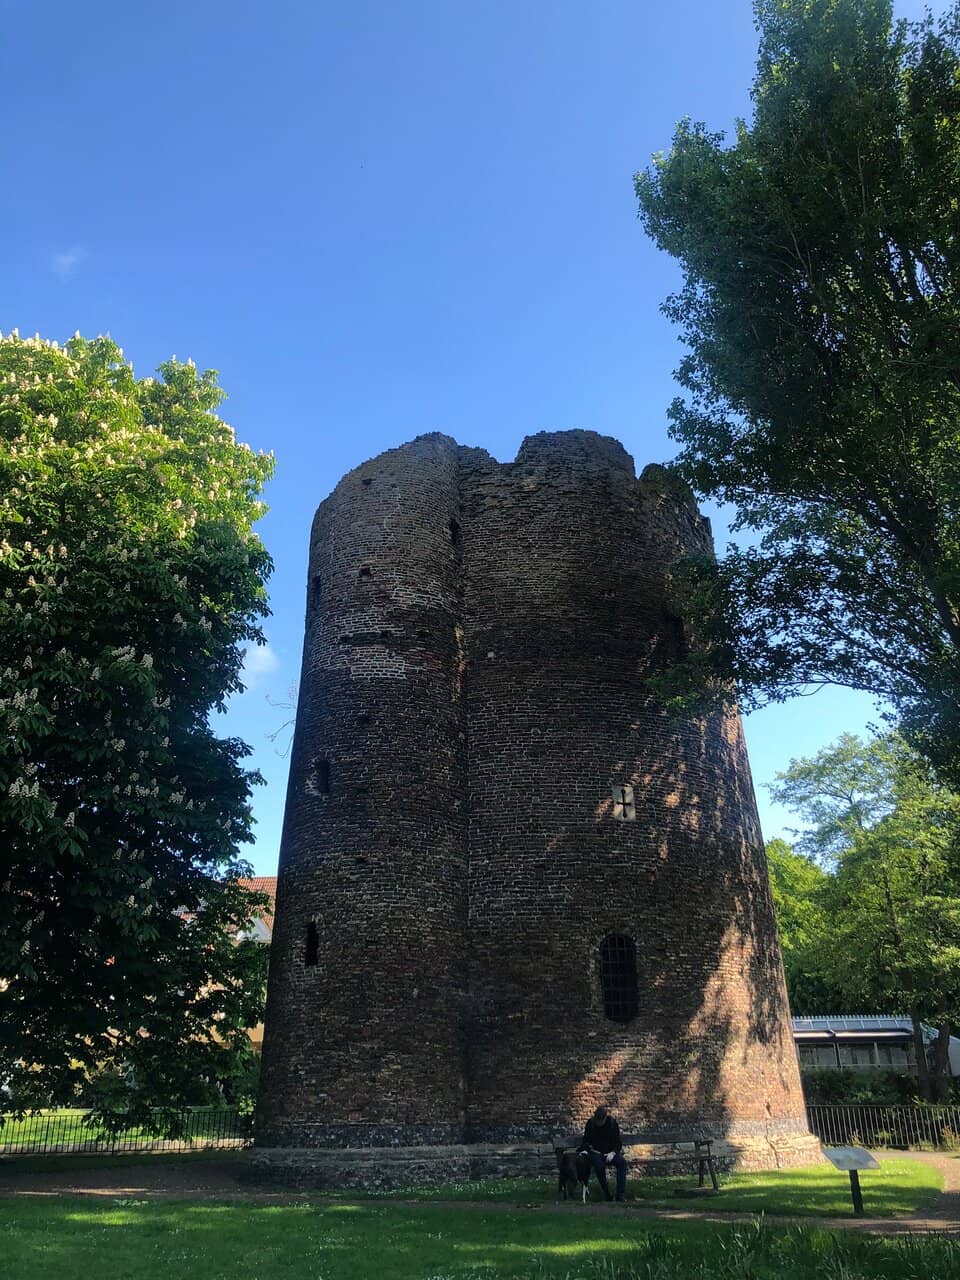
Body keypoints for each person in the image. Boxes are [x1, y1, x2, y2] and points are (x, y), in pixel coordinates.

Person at [578, 1104, 628, 1201]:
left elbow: (618, 1143)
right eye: (598, 1121)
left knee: (622, 1163)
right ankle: (606, 1193)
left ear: (605, 1118)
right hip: (596, 1153)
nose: (599, 1123)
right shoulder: (591, 1124)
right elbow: (586, 1142)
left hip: (610, 1153)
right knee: (599, 1166)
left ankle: (620, 1194)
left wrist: (613, 1153)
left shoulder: (612, 1123)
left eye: (601, 1121)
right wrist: (591, 1150)